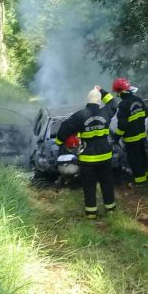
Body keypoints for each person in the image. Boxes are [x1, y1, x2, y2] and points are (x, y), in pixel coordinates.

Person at [55, 88, 116, 219]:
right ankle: (110, 210)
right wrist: (102, 91)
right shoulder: (106, 112)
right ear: (99, 101)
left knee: (89, 185)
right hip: (105, 157)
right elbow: (113, 103)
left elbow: (64, 128)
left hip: (88, 159)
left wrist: (59, 141)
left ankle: (91, 213)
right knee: (107, 183)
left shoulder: (80, 115)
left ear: (87, 100)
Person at [100, 77, 148, 186]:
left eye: (117, 92)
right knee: (143, 155)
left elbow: (122, 125)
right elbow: (145, 114)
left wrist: (116, 137)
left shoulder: (123, 105)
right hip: (141, 135)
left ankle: (140, 181)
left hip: (131, 138)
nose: (117, 95)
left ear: (121, 92)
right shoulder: (138, 100)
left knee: (135, 160)